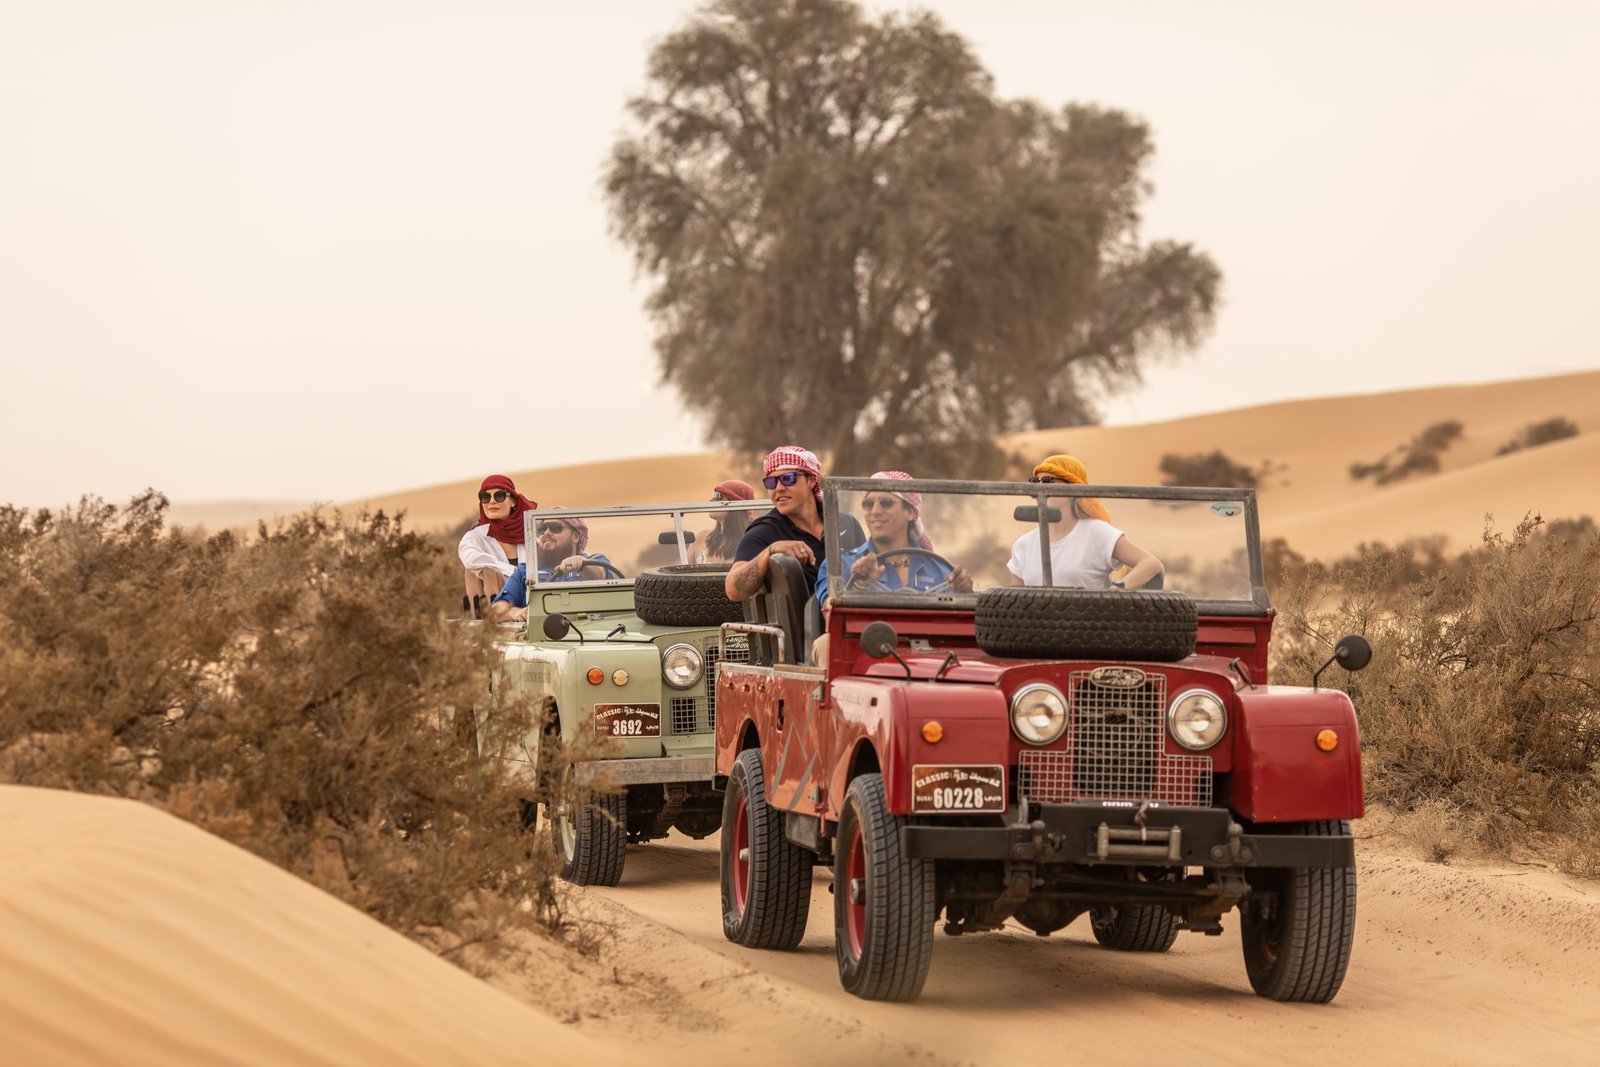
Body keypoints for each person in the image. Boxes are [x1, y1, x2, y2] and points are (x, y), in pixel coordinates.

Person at [814, 471, 973, 609]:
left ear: (911, 512)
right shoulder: (838, 566)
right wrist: (859, 586)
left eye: (886, 503)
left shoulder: (943, 571)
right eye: (868, 504)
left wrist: (965, 595)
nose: (875, 511)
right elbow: (831, 612)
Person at [1007, 455, 1163, 590]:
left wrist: (1117, 590)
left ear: (1072, 490)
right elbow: (1016, 606)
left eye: (1048, 480)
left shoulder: (1096, 532)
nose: (1040, 488)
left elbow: (1152, 564)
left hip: (1087, 623)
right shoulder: (1023, 545)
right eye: (1035, 482)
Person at [725, 446, 826, 603]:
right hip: (804, 626)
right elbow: (733, 590)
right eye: (771, 482)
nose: (778, 488)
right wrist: (769, 552)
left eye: (788, 478)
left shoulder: (842, 524)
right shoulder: (764, 531)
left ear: (811, 480)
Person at [485, 514, 614, 623]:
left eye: (555, 528)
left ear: (576, 536)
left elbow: (600, 574)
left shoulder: (595, 562)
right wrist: (514, 612)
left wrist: (582, 564)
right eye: (542, 529)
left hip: (589, 634)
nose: (546, 532)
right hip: (541, 640)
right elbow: (495, 610)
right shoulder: (527, 571)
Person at [459, 475, 535, 616]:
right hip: (496, 621)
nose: (492, 501)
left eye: (499, 495)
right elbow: (471, 560)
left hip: (535, 610)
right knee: (485, 572)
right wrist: (514, 572)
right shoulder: (475, 537)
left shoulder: (530, 535)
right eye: (485, 497)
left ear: (513, 501)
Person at [696, 479, 756, 564]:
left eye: (718, 496)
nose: (710, 501)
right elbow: (683, 574)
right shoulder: (701, 538)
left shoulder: (753, 540)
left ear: (736, 503)